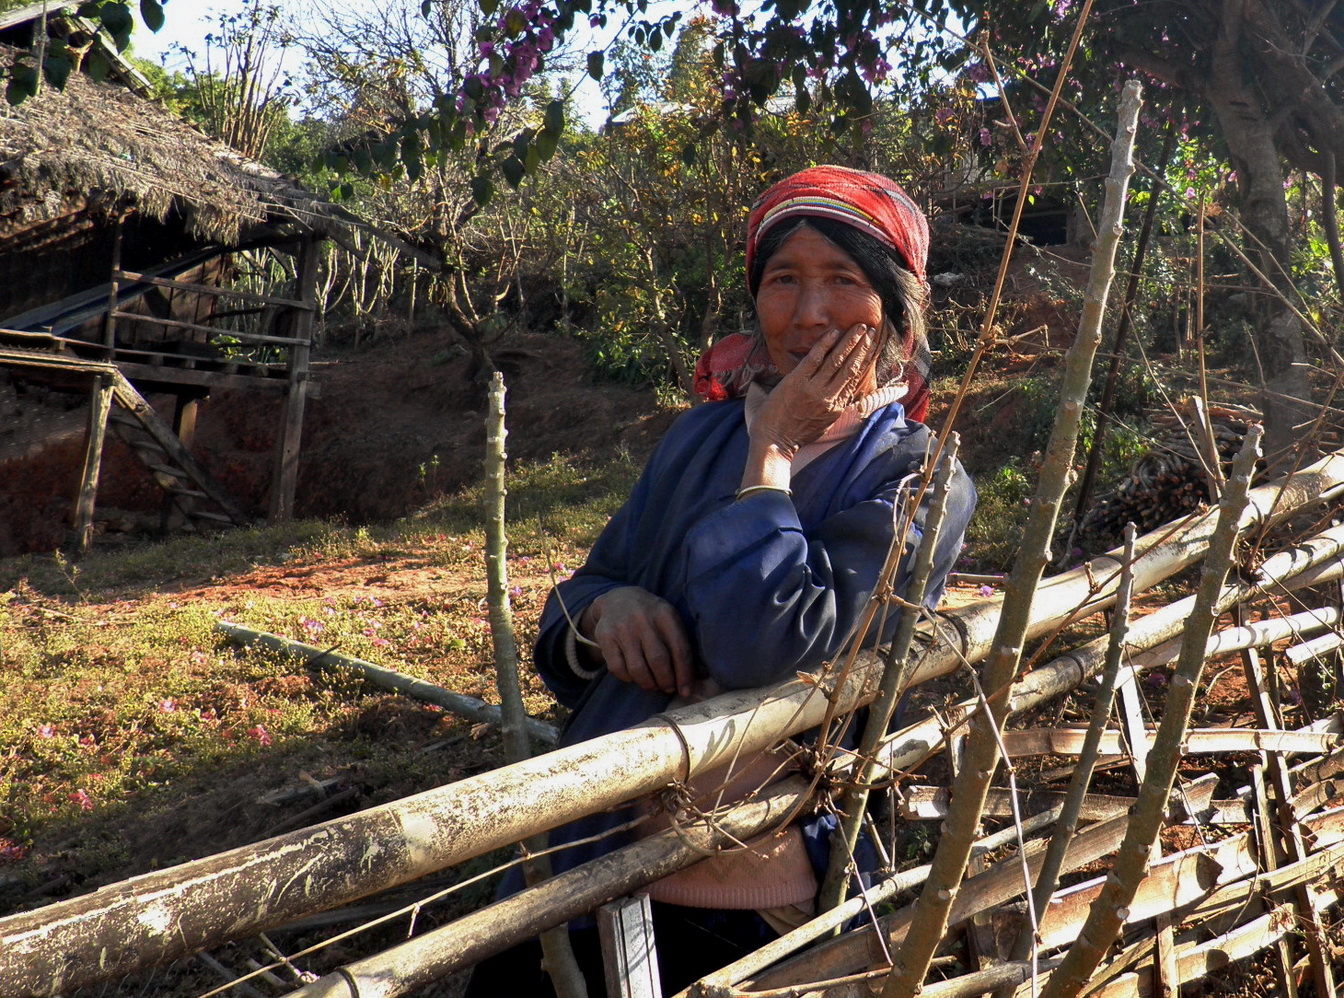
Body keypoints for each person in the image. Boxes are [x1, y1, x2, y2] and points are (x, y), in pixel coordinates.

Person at [466, 165, 976, 996]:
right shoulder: (697, 438)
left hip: (749, 901)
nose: (810, 315)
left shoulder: (917, 480)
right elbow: (575, 605)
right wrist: (605, 611)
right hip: (583, 861)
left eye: (843, 281)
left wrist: (771, 455)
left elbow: (765, 651)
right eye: (784, 282)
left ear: (895, 307)